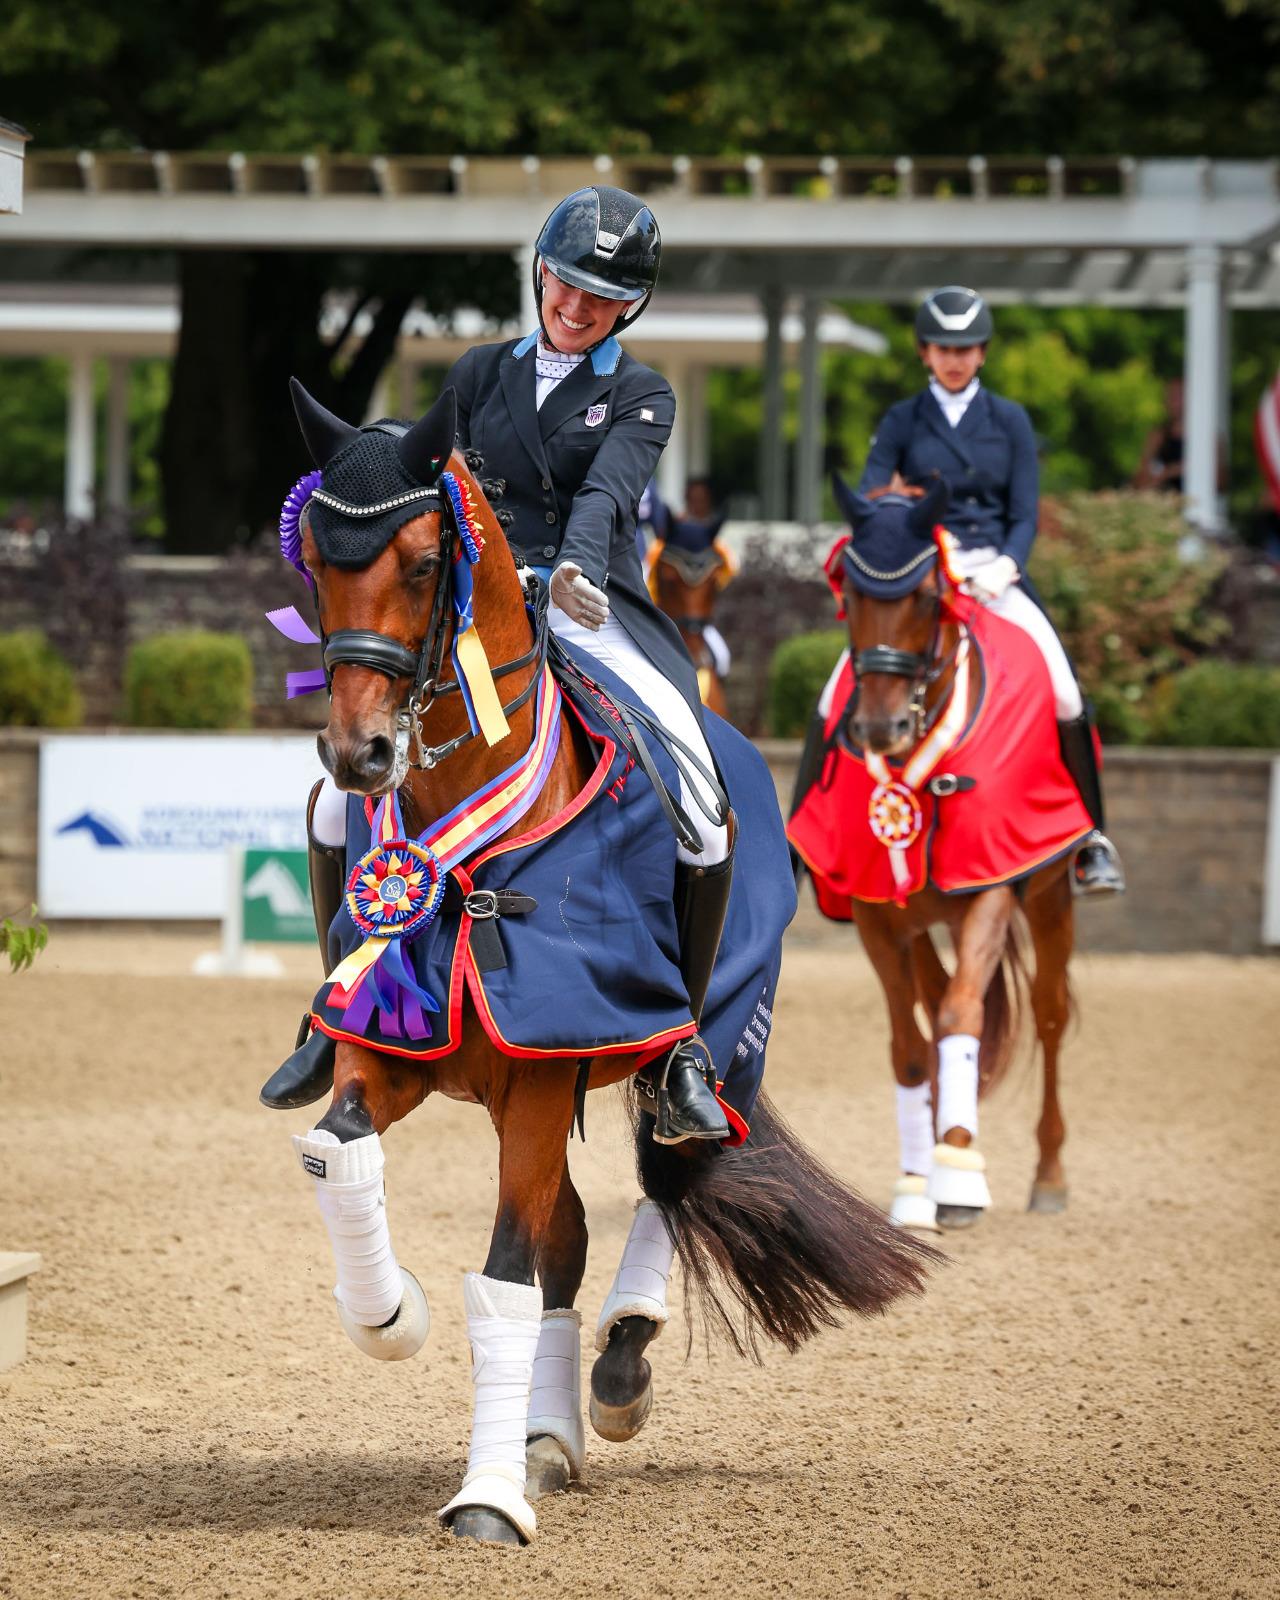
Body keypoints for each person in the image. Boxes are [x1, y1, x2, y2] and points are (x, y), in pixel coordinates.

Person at [262, 185, 733, 1142]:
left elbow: (607, 493)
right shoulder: (479, 372)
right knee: (328, 802)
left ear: (628, 306)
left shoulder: (641, 392)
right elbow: (435, 481)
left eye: (601, 295)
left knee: (702, 811)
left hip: (591, 607)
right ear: (541, 274)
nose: (576, 305)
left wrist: (570, 571)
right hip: (474, 611)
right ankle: (337, 1003)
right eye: (565, 281)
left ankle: (678, 1045)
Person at [856, 285, 1124, 895]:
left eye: (967, 347)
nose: (955, 357)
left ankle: (1094, 841)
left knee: (1064, 690)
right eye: (944, 347)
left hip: (992, 572)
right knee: (839, 686)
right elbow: (875, 502)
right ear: (925, 352)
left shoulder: (1009, 420)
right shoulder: (902, 419)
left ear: (982, 353)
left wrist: (1007, 564)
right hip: (925, 571)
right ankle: (804, 837)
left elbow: (1025, 512)